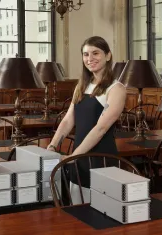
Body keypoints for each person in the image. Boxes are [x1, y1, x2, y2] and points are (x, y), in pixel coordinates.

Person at [47, 36, 126, 203]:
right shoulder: (81, 85)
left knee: (102, 214)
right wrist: (53, 145)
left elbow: (101, 128)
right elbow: (68, 120)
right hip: (79, 157)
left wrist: (73, 156)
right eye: (85, 54)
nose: (90, 59)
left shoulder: (116, 89)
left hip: (101, 158)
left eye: (95, 53)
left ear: (108, 55)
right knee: (78, 211)